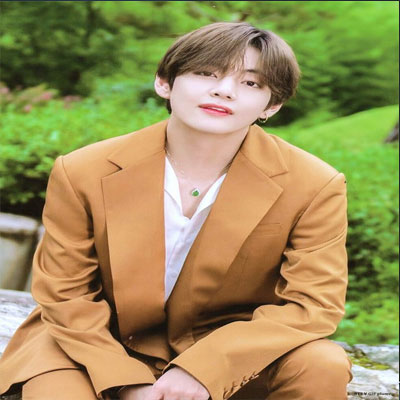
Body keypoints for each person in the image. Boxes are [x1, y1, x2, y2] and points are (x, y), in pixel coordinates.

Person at [0, 22, 353, 400]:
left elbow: (311, 304)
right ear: (164, 83)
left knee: (322, 363)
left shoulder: (314, 185)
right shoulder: (82, 170)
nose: (224, 90)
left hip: (230, 351)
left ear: (272, 105)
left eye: (251, 83)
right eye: (206, 73)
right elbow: (66, 294)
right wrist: (127, 381)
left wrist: (205, 368)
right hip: (94, 344)